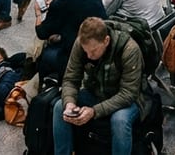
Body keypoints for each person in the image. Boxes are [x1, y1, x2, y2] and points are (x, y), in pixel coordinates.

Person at [53, 17, 147, 155]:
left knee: (120, 121)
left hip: (127, 100)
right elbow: (71, 79)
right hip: (96, 92)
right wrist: (69, 104)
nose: (89, 56)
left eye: (93, 51)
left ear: (106, 40)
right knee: (59, 107)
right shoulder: (82, 43)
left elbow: (128, 93)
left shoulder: (129, 49)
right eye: (86, 52)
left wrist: (95, 111)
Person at [35, 0, 107, 80]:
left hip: (76, 56)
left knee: (45, 54)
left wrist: (38, 14)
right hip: (101, 48)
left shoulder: (59, 4)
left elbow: (41, 33)